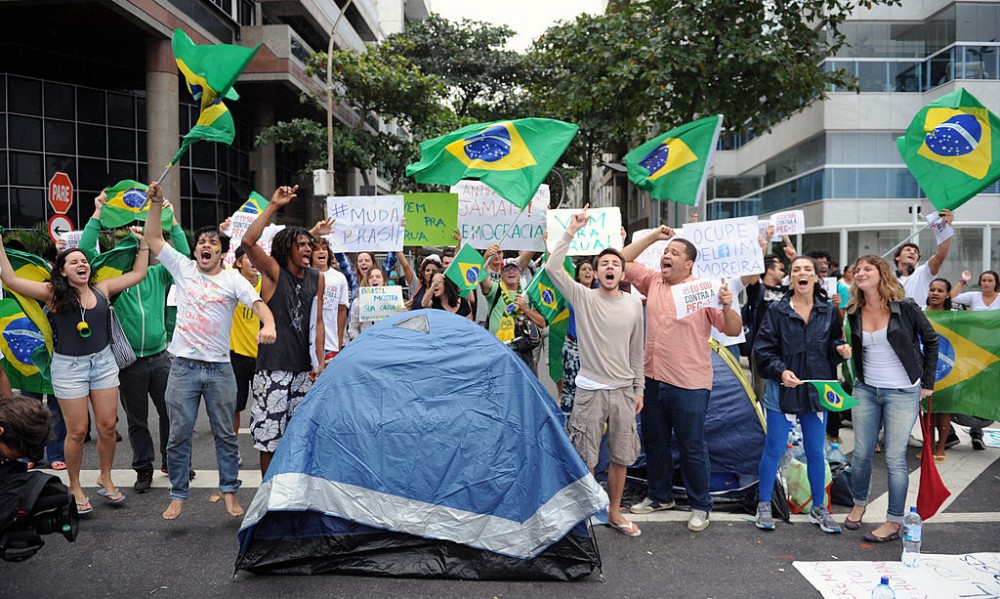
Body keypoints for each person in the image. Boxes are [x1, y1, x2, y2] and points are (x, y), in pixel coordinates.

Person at [145, 181, 276, 521]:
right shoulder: (183, 269)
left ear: (222, 252)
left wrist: (269, 325)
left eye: (213, 242)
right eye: (202, 242)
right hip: (183, 368)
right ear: (195, 251)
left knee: (225, 436)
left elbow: (260, 304)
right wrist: (156, 204)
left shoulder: (234, 279)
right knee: (177, 436)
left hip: (220, 369)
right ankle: (177, 495)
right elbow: (154, 239)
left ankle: (229, 492)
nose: (206, 245)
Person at [0, 226, 149, 515]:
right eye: (74, 262)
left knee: (107, 427)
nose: (82, 264)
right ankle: (75, 485)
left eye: (84, 260)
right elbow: (10, 278)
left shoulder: (102, 289)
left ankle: (105, 477)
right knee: (78, 431)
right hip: (69, 368)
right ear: (63, 271)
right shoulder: (51, 293)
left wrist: (143, 245)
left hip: (103, 363)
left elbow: (138, 274)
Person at [622, 226, 742, 532]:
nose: (667, 256)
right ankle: (659, 496)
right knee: (655, 442)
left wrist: (727, 306)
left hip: (690, 383)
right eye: (666, 252)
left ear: (688, 264)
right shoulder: (653, 282)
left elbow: (731, 330)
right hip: (652, 378)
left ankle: (701, 505)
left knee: (691, 446)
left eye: (674, 253)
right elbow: (620, 262)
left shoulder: (703, 290)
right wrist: (652, 239)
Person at [80, 191, 190, 493]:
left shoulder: (157, 275)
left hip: (160, 358)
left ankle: (172, 462)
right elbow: (87, 251)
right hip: (129, 364)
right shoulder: (111, 284)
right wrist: (98, 212)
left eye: (138, 249)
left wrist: (173, 222)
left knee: (171, 413)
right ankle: (144, 468)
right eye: (129, 250)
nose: (133, 254)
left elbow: (184, 258)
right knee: (137, 421)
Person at [546, 206, 645, 537]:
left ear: (622, 272)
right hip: (588, 390)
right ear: (596, 271)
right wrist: (571, 230)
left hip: (623, 392)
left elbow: (637, 349)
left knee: (621, 455)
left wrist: (639, 389)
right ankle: (587, 512)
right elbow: (552, 266)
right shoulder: (582, 298)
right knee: (586, 455)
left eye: (616, 264)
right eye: (604, 263)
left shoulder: (633, 304)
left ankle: (614, 511)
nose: (610, 267)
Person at [752, 256, 851, 532]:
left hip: (815, 391)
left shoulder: (828, 311)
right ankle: (764, 506)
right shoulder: (776, 310)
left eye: (807, 269)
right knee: (773, 449)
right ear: (791, 278)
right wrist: (781, 371)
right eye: (796, 270)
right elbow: (763, 351)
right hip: (782, 390)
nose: (802, 273)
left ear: (816, 277)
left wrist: (840, 350)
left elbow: (832, 345)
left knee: (815, 452)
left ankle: (818, 508)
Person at [843, 255, 938, 541]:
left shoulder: (905, 307)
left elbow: (931, 341)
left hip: (901, 391)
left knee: (895, 458)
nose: (860, 273)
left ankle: (894, 521)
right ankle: (859, 503)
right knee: (860, 455)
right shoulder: (853, 310)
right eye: (857, 270)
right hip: (866, 389)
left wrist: (928, 382)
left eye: (867, 269)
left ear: (881, 273)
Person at [242, 184, 325, 477]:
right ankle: (268, 493)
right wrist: (274, 206)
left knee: (299, 436)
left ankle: (292, 491)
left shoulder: (317, 278)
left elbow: (318, 322)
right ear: (287, 247)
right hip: (273, 367)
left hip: (303, 370)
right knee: (269, 438)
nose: (308, 249)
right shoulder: (274, 272)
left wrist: (321, 362)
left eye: (310, 245)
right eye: (301, 244)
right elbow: (248, 242)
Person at [947, 269, 998, 450]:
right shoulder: (974, 296)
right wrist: (962, 282)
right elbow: (949, 298)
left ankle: (977, 431)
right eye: (983, 280)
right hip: (973, 350)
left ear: (996, 283)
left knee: (984, 392)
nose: (986, 283)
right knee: (968, 388)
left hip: (994, 352)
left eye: (990, 280)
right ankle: (954, 431)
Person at [478, 246, 547, 372]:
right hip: (498, 349)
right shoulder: (495, 290)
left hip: (523, 351)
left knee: (522, 389)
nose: (511, 272)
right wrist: (486, 256)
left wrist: (525, 308)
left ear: (519, 272)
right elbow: (481, 276)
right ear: (501, 273)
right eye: (506, 269)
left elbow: (541, 323)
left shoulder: (527, 294)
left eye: (514, 268)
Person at [742, 254, 788, 401]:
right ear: (769, 270)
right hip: (762, 345)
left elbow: (802, 278)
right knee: (761, 389)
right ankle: (762, 421)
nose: (784, 273)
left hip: (785, 344)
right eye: (780, 269)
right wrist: (759, 249)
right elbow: (753, 277)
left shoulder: (786, 291)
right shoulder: (758, 291)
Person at [229, 245, 262, 444]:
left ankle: (264, 443)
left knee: (263, 404)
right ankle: (232, 448)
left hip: (262, 356)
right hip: (236, 355)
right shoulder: (232, 283)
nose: (253, 261)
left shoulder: (266, 284)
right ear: (239, 263)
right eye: (248, 257)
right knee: (234, 406)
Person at [893, 209, 953, 307]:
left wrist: (945, 228)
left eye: (915, 252)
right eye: (907, 250)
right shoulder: (888, 278)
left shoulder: (923, 272)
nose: (912, 252)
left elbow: (940, 255)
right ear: (897, 257)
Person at [561, 260, 596, 416]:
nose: (587, 272)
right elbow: (557, 272)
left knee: (593, 388)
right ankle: (566, 430)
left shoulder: (601, 292)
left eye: (590, 269)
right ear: (578, 275)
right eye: (583, 269)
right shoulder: (572, 291)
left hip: (593, 349)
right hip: (573, 348)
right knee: (570, 388)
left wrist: (620, 240)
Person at [924, 277, 954, 462]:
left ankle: (941, 446)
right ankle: (929, 446)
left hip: (948, 368)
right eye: (932, 289)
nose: (935, 293)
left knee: (943, 408)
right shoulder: (919, 312)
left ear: (948, 294)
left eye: (940, 290)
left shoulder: (955, 317)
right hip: (924, 367)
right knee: (928, 409)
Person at [310, 237, 350, 363]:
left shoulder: (339, 278)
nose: (321, 252)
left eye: (324, 249)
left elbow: (342, 310)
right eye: (316, 249)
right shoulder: (303, 275)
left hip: (330, 344)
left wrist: (338, 342)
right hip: (307, 345)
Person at [347, 267, 388, 340]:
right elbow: (352, 328)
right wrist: (360, 340)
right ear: (367, 281)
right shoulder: (358, 302)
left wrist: (402, 312)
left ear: (384, 281)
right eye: (371, 277)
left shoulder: (393, 301)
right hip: (367, 345)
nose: (374, 279)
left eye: (378, 276)